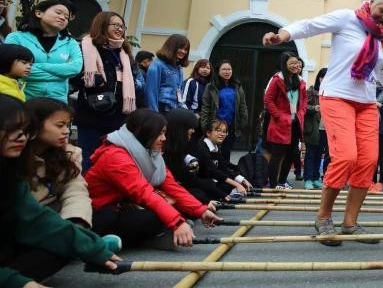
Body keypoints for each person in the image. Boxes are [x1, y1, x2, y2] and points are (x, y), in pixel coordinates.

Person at [262, 0, 383, 245]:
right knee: (346, 156)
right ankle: (323, 217)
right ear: (372, 2)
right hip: (337, 96)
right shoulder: (346, 19)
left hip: (366, 102)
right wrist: (282, 35)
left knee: (368, 160)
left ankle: (350, 223)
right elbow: (309, 26)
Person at [0, 94, 120, 286]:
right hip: (20, 233)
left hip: (46, 220)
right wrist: (18, 283)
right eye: (59, 125)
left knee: (68, 240)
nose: (21, 136)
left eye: (23, 129)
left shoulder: (64, 155)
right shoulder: (20, 160)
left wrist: (86, 241)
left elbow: (40, 215)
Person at [86, 109, 221, 249]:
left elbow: (172, 186)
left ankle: (149, 237)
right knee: (155, 217)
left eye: (164, 133)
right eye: (160, 133)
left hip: (124, 206)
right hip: (100, 213)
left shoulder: (149, 152)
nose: (164, 138)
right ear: (144, 132)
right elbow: (144, 193)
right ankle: (105, 240)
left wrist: (200, 210)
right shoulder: (116, 157)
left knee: (170, 209)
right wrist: (178, 223)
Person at [73, 11, 136, 172]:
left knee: (111, 158)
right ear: (102, 25)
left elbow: (134, 79)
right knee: (88, 157)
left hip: (117, 116)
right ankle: (84, 186)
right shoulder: (86, 47)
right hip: (91, 114)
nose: (120, 29)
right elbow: (74, 77)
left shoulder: (124, 52)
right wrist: (95, 79)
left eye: (122, 26)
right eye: (115, 25)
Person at [21, 98, 92, 228]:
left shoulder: (68, 154)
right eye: (60, 125)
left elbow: (75, 190)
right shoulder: (15, 155)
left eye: (68, 125)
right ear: (35, 125)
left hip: (57, 217)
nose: (66, 131)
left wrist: (76, 222)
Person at [5, 0, 81, 103]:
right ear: (39, 13)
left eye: (66, 17)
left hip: (58, 102)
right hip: (21, 99)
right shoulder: (16, 38)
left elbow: (75, 69)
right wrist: (61, 74)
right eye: (58, 13)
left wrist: (36, 66)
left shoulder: (70, 43)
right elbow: (12, 67)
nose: (63, 18)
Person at [163, 108, 227, 204]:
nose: (193, 131)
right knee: (199, 194)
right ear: (180, 128)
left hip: (179, 188)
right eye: (190, 127)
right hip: (169, 192)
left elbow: (190, 179)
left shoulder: (181, 147)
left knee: (208, 186)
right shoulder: (164, 152)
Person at [263, 52, 306, 189]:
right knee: (277, 155)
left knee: (291, 155)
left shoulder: (300, 81)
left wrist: (301, 113)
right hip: (280, 124)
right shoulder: (277, 79)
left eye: (296, 63)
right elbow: (268, 99)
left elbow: (304, 100)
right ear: (284, 65)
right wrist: (278, 116)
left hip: (295, 124)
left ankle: (282, 182)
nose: (295, 65)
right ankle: (273, 184)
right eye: (291, 63)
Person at [200, 60, 248, 165]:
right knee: (214, 152)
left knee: (226, 152)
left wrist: (243, 123)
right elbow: (205, 107)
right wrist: (205, 125)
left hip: (231, 126)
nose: (227, 72)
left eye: (229, 69)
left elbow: (242, 106)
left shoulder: (237, 86)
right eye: (224, 69)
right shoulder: (211, 86)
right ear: (218, 71)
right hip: (216, 126)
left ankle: (225, 171)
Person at [193, 119, 252, 199]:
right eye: (218, 130)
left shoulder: (215, 147)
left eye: (224, 132)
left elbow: (224, 168)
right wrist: (236, 184)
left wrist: (242, 180)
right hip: (200, 184)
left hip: (212, 181)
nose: (222, 134)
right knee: (219, 187)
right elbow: (213, 171)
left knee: (238, 181)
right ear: (208, 133)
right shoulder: (201, 146)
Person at [145, 34, 189, 113]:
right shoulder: (157, 65)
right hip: (160, 108)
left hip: (174, 109)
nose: (183, 51)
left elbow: (179, 91)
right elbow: (151, 91)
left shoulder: (178, 68)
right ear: (172, 47)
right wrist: (154, 114)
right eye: (180, 48)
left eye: (186, 49)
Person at [303, 68, 327, 190]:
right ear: (319, 78)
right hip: (313, 128)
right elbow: (303, 106)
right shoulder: (311, 91)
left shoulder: (332, 93)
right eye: (323, 77)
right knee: (310, 154)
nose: (325, 80)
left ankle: (315, 178)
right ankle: (308, 179)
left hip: (325, 129)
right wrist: (314, 108)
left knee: (319, 155)